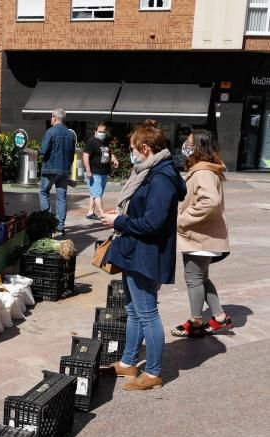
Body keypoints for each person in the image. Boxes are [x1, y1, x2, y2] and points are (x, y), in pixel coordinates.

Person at [100, 119, 187, 390]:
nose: (131, 152)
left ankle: (153, 373)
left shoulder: (162, 177)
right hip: (134, 250)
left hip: (147, 254)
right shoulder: (148, 171)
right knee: (133, 310)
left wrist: (119, 222)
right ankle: (128, 363)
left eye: (133, 148)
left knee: (147, 313)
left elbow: (153, 223)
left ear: (146, 148)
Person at [172, 129, 233, 337]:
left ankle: (196, 321)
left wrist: (183, 219)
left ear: (199, 147)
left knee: (194, 279)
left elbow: (210, 201)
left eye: (189, 143)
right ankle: (220, 317)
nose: (185, 147)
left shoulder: (203, 172)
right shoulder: (204, 170)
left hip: (199, 236)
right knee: (202, 278)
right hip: (202, 236)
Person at [39, 108, 76, 234]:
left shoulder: (50, 132)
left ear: (55, 117)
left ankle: (48, 223)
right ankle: (60, 226)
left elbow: (43, 151)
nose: (50, 119)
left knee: (44, 193)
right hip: (64, 171)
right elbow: (72, 155)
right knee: (61, 198)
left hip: (49, 169)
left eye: (51, 116)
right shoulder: (70, 134)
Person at [83, 122, 118, 221]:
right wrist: (88, 171)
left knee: (95, 193)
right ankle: (102, 214)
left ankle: (90, 212)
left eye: (103, 131)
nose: (102, 133)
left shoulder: (105, 140)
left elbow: (109, 152)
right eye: (100, 131)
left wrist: (114, 159)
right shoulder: (91, 141)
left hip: (104, 172)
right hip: (94, 172)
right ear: (95, 131)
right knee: (97, 194)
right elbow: (85, 156)